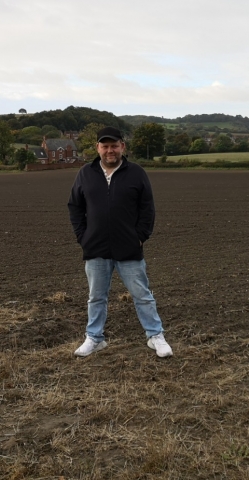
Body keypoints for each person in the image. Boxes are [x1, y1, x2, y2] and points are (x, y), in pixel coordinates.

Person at [68, 126, 173, 358]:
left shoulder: (136, 173)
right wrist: (82, 237)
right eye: (104, 146)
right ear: (97, 148)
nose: (110, 151)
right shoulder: (85, 173)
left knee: (142, 294)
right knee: (96, 296)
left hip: (128, 247)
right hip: (95, 248)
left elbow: (147, 208)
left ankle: (155, 335)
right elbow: (75, 206)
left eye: (114, 146)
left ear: (122, 147)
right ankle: (94, 338)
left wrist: (139, 237)